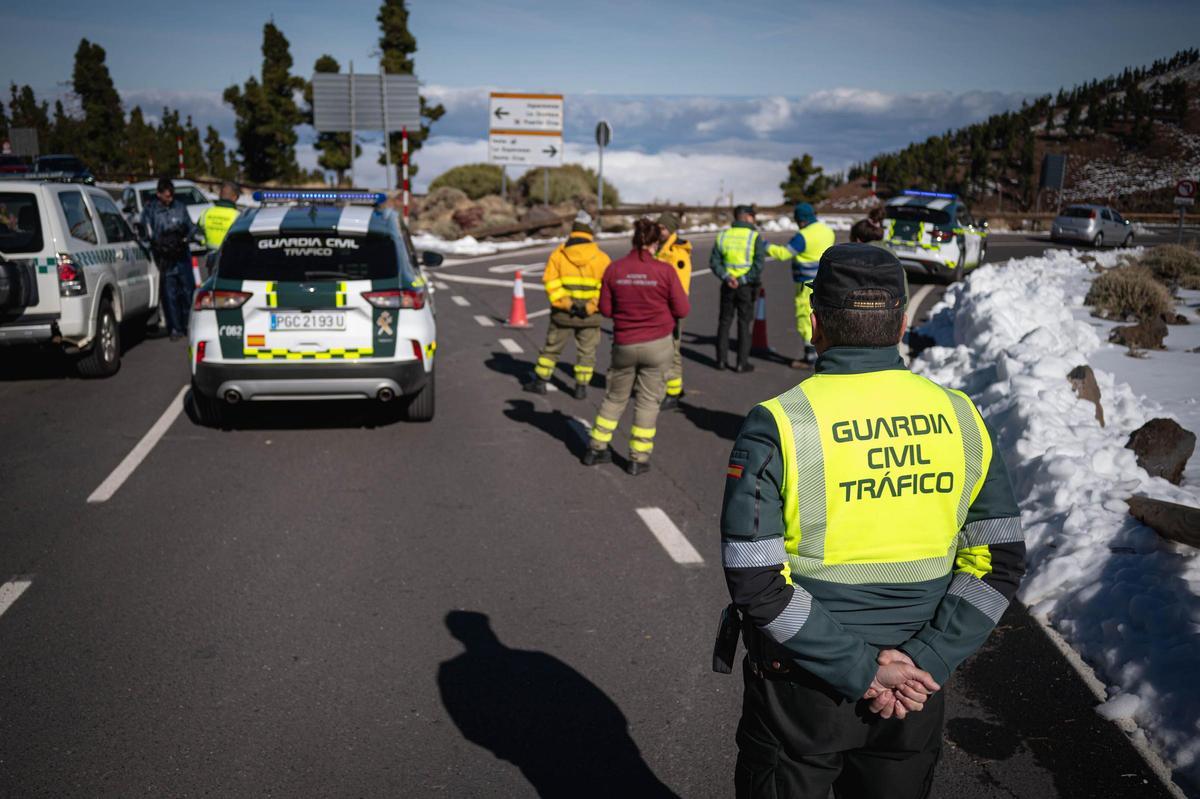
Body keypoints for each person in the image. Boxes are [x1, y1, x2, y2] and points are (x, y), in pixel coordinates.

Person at [719, 243, 1025, 798]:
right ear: (902, 324)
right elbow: (998, 561)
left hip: (801, 689)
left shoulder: (780, 423)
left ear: (816, 323)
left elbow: (754, 579)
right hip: (914, 691)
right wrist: (925, 659)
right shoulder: (962, 417)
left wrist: (862, 670)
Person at [584, 219, 690, 476]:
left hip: (624, 343)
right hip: (658, 344)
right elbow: (682, 309)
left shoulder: (615, 269)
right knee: (648, 401)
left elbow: (605, 309)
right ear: (655, 243)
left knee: (614, 397)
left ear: (633, 239)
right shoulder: (664, 271)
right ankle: (637, 458)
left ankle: (597, 447)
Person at [525, 211, 611, 399]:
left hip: (562, 315)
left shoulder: (558, 255)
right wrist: (590, 306)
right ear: (590, 232)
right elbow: (606, 288)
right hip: (590, 317)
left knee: (551, 349)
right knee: (587, 353)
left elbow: (551, 283)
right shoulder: (602, 258)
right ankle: (581, 388)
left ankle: (540, 382)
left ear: (574, 230)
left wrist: (567, 304)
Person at [765, 202, 836, 369]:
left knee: (805, 317)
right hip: (825, 280)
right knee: (823, 316)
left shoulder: (802, 236)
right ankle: (825, 350)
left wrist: (765, 246)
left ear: (801, 220)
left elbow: (784, 254)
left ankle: (810, 356)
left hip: (806, 283)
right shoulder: (827, 231)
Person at [710, 205, 772, 373]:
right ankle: (741, 363)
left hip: (728, 285)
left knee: (724, 322)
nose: (754, 219)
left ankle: (721, 361)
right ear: (746, 217)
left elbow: (714, 261)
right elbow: (758, 264)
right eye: (752, 216)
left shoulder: (723, 235)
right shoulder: (753, 236)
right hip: (746, 286)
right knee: (744, 323)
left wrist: (727, 277)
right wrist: (743, 279)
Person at [141, 177, 200, 340]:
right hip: (165, 259)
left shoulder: (180, 207)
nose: (170, 199)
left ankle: (189, 325)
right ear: (159, 194)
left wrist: (187, 237)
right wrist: (156, 246)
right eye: (167, 196)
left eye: (172, 195)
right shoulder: (150, 210)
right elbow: (145, 235)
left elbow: (191, 227)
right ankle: (175, 328)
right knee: (169, 294)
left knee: (188, 291)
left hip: (182, 256)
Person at [654, 212, 692, 411]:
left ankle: (673, 393)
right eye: (658, 227)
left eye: (662, 228)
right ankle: (673, 387)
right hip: (659, 308)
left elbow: (680, 287)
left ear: (670, 229)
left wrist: (673, 310)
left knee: (672, 352)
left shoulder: (677, 253)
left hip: (670, 309)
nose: (659, 231)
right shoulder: (660, 248)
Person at [197, 181, 241, 277]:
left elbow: (197, 235)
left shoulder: (206, 213)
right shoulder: (238, 217)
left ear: (220, 195)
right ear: (235, 197)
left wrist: (205, 242)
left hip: (210, 258)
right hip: (230, 260)